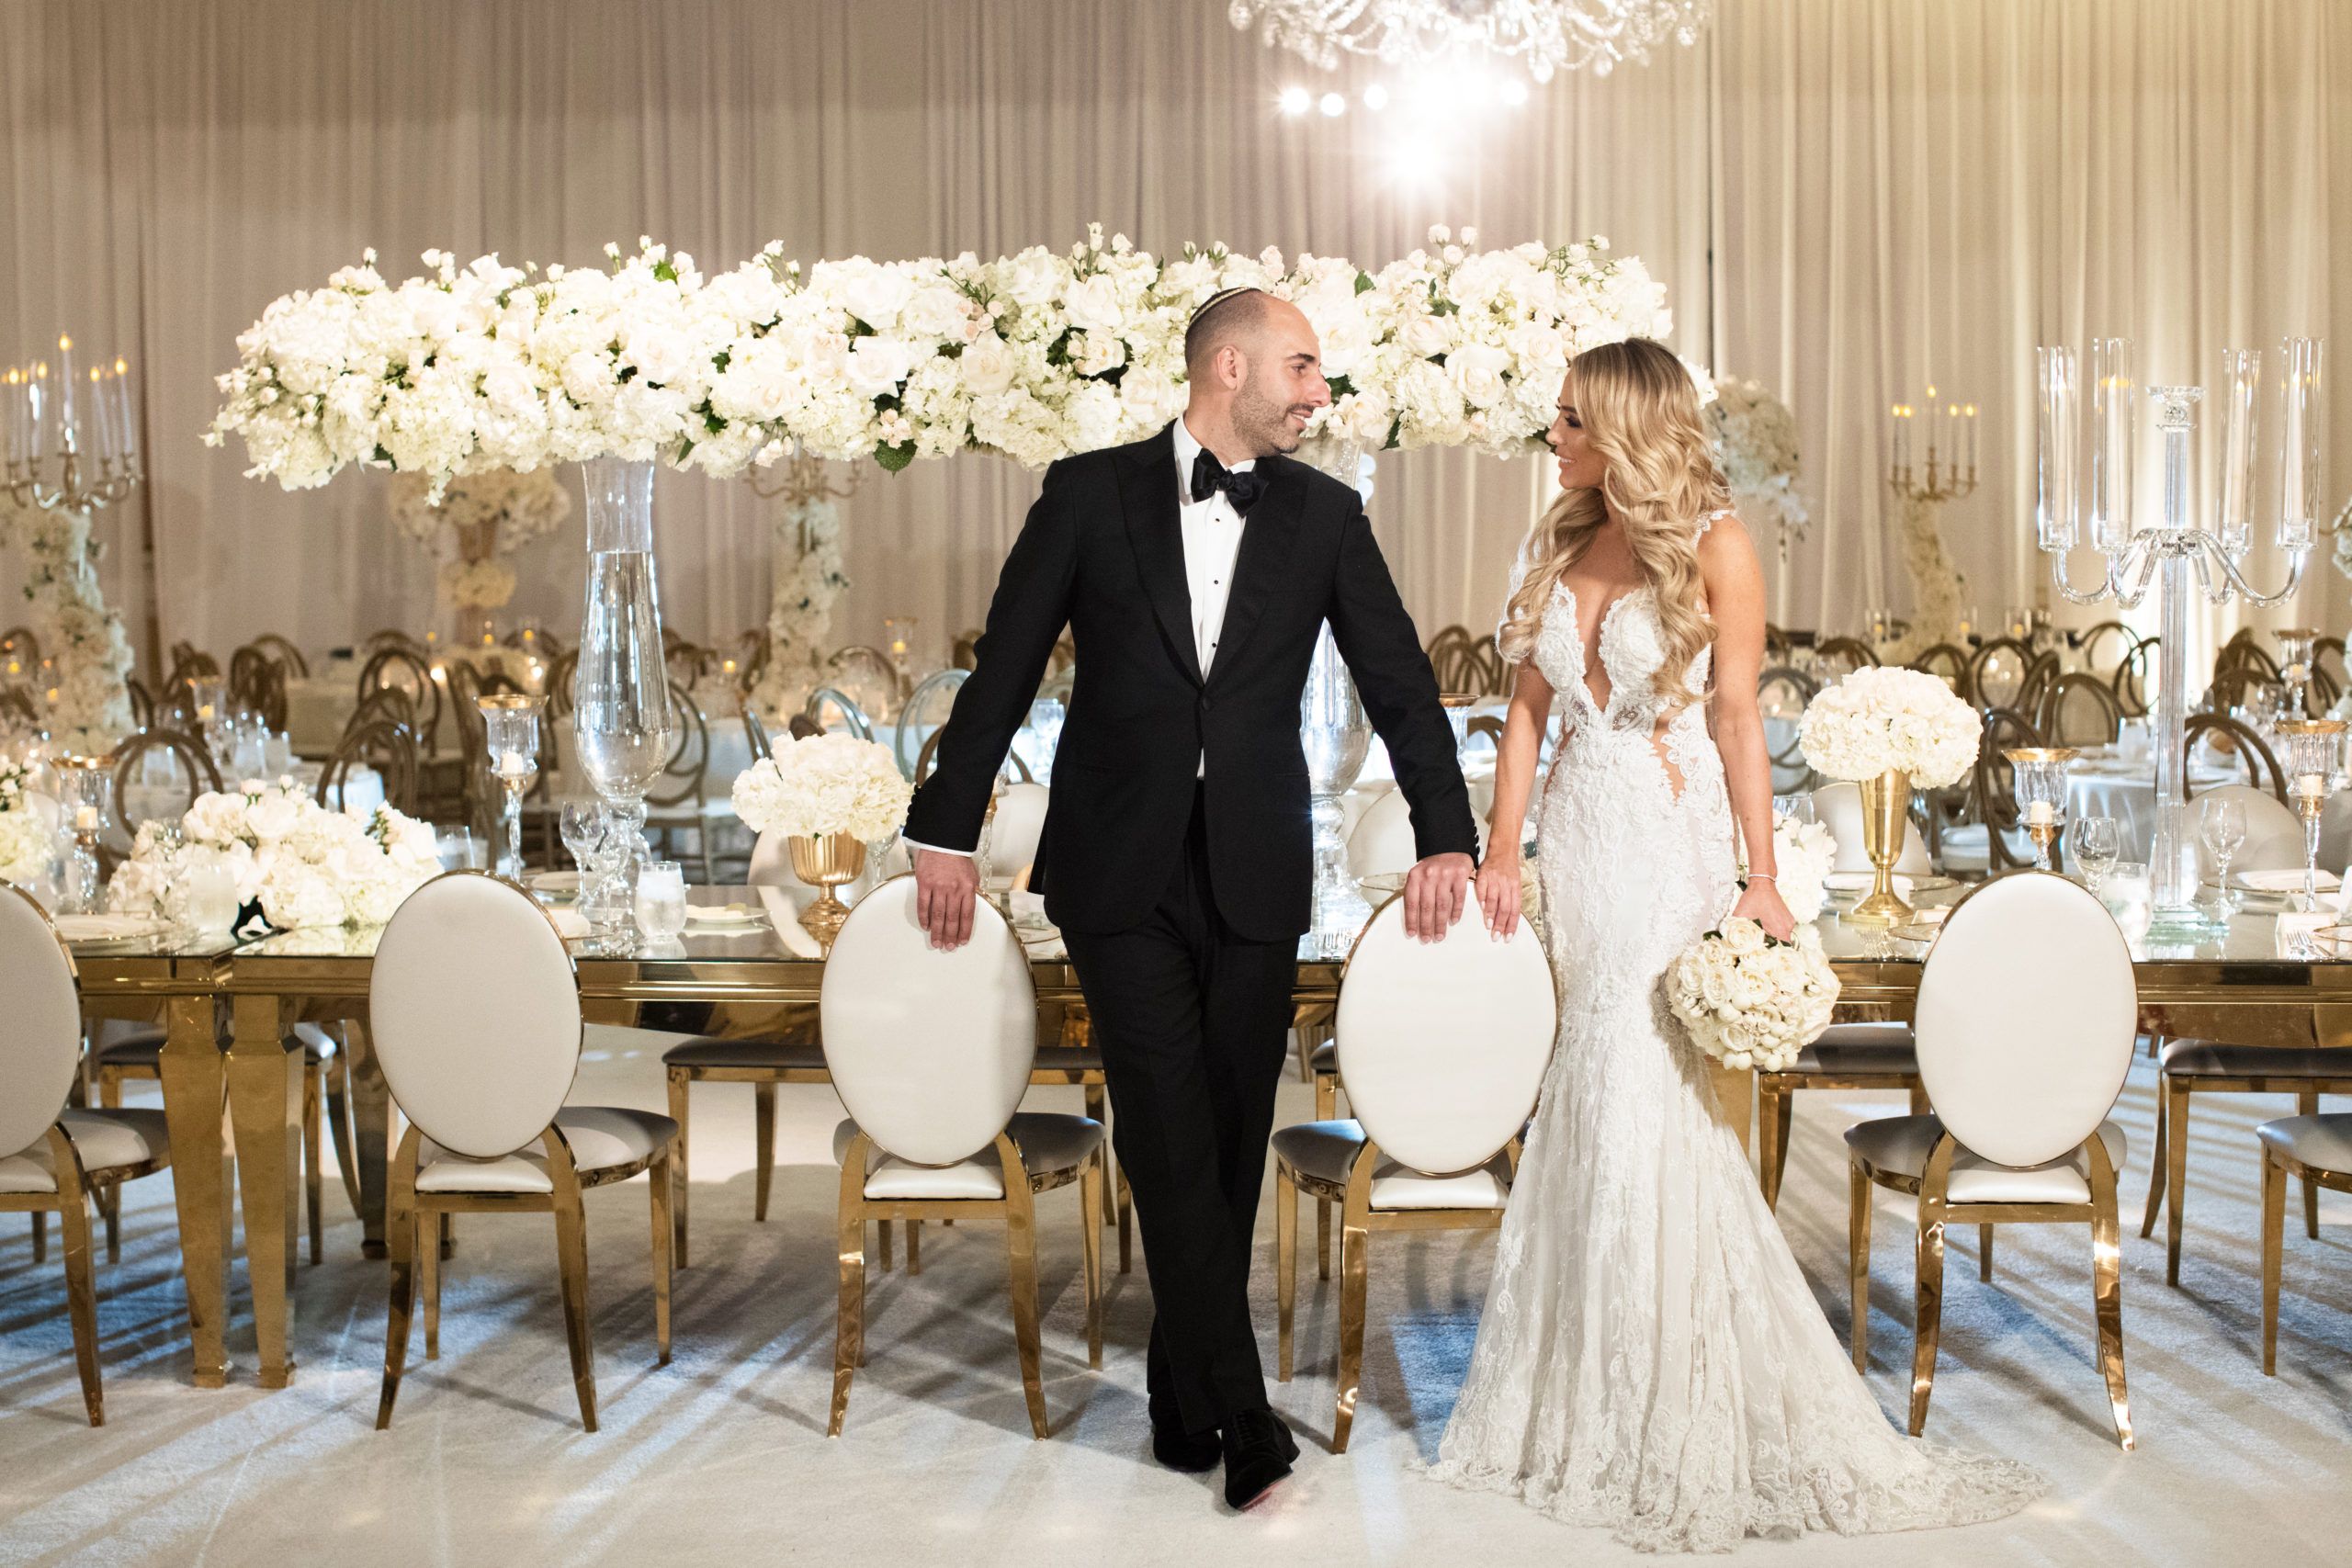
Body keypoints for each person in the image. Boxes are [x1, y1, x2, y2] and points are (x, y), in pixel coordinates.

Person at [1426, 337, 2041, 1550]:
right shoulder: (1559, 543)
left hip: (1669, 846)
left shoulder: (1716, 544)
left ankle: (1669, 1391)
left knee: (1642, 1088)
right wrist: (1502, 853)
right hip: (1581, 850)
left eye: (1571, 419)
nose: (1553, 437)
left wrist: (1762, 880)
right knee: (1586, 1092)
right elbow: (1526, 719)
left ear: (1624, 425)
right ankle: (1582, 1387)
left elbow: (1740, 723)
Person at [901, 287, 1480, 1510]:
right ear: (1229, 366)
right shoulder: (1087, 494)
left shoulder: (1325, 515)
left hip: (1256, 864)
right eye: (1303, 366)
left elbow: (1398, 680)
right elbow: (1005, 665)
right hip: (1117, 865)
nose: (1320, 392)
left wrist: (1446, 835)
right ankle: (1246, 1416)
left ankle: (1182, 1396)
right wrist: (943, 827)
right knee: (1165, 1124)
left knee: (1225, 1135)